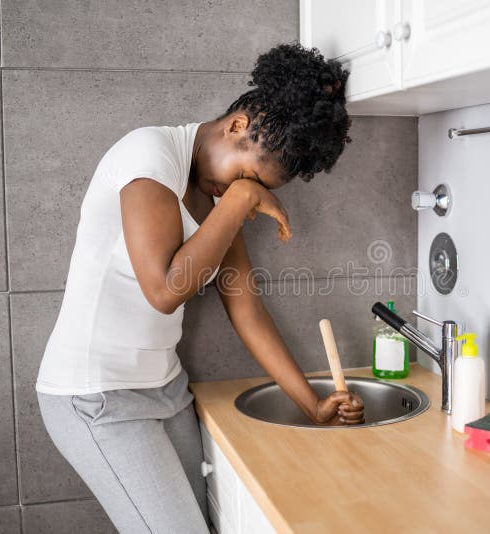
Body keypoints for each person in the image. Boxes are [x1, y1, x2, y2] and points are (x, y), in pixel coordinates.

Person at [34, 42, 365, 533]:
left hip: (166, 390)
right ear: (236, 126)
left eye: (258, 189)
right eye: (249, 177)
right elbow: (165, 290)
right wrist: (241, 200)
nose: (246, 193)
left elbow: (247, 311)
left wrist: (311, 404)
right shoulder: (149, 154)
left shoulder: (221, 197)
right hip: (95, 397)